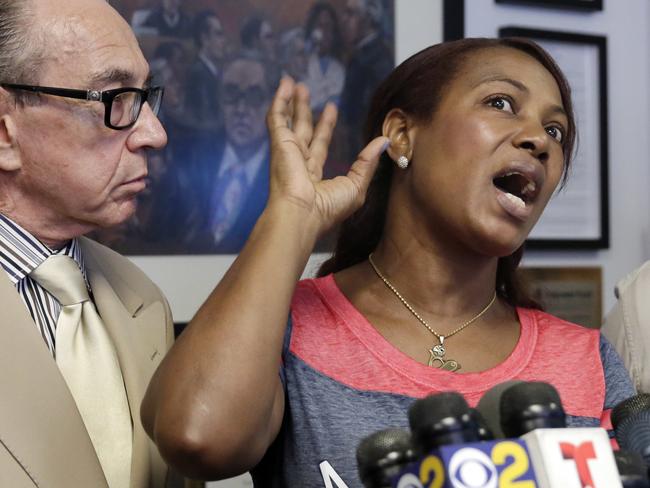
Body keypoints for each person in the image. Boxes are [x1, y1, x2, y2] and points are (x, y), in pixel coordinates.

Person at [141, 38, 635, 486]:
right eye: (500, 103)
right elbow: (197, 436)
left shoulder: (588, 360)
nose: (540, 140)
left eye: (556, 130)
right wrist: (291, 217)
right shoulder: (287, 326)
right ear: (401, 134)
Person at [0, 0, 172, 486]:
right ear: (4, 131)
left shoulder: (143, 300)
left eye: (145, 97)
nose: (154, 134)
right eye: (116, 98)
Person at [181, 54, 273, 253]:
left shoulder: (284, 174)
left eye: (254, 97)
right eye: (231, 95)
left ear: (272, 104)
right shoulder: (191, 157)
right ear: (220, 101)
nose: (241, 109)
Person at [339, 0, 393, 161]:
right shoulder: (361, 55)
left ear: (368, 18)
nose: (344, 20)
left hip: (370, 149)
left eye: (351, 13)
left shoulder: (378, 57)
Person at [185, 10, 227, 137]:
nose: (223, 41)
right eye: (218, 34)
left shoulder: (211, 72)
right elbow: (207, 122)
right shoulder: (198, 74)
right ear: (204, 39)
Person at [303, 1, 346, 113]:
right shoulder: (301, 62)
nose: (325, 33)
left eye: (328, 27)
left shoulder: (338, 70)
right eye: (320, 26)